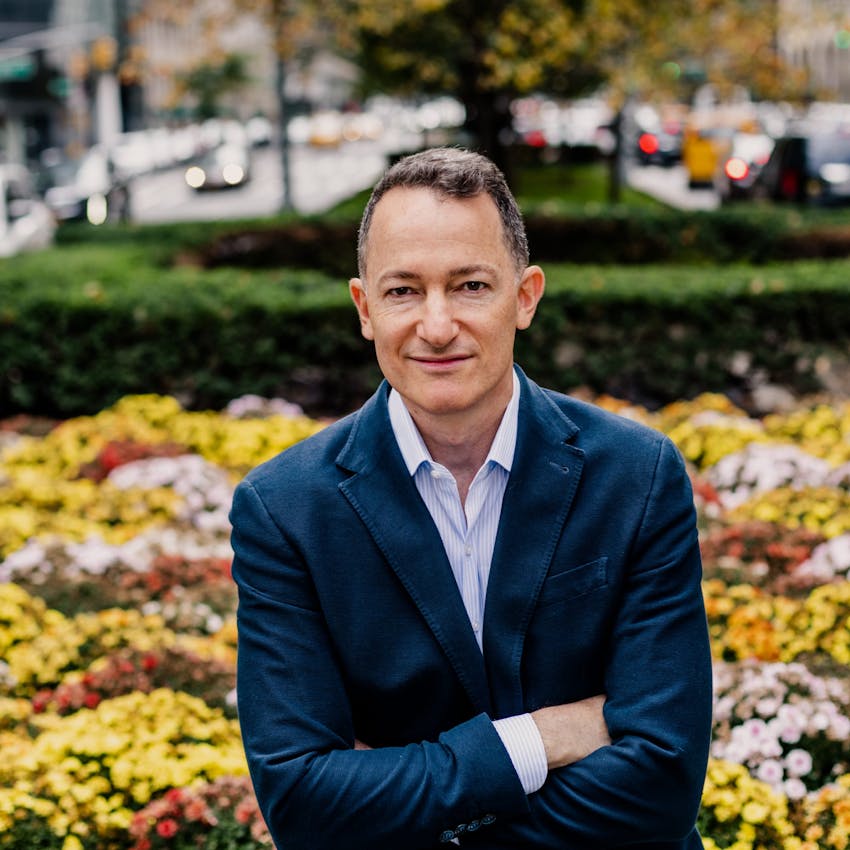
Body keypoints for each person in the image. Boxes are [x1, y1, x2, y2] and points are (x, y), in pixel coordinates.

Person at [230, 147, 713, 850]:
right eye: (403, 291)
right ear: (364, 309)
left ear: (526, 296)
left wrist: (400, 806)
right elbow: (304, 805)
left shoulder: (637, 477)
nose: (435, 325)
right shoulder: (285, 510)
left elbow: (662, 784)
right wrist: (542, 739)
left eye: (469, 286)